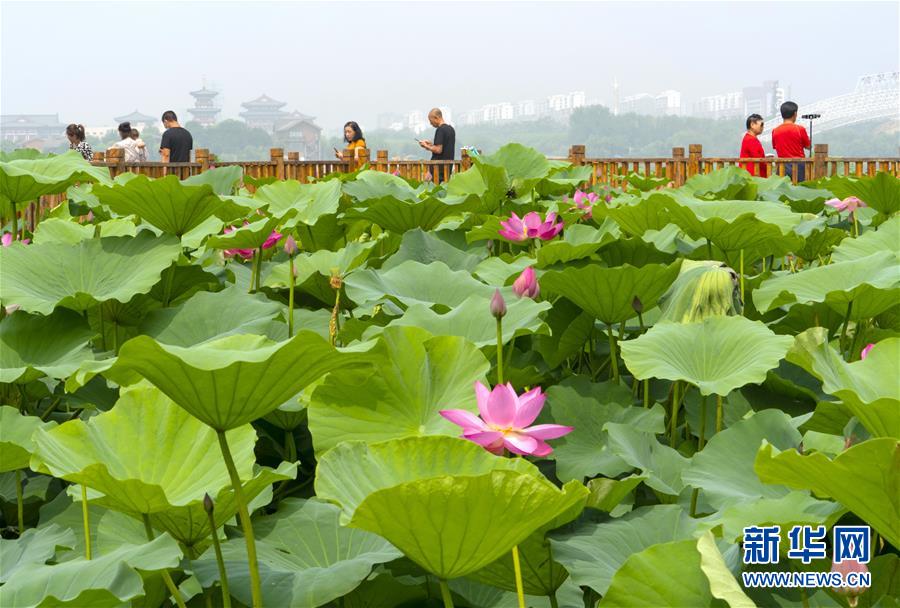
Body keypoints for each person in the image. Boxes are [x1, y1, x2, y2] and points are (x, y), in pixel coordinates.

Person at [772, 101, 810, 182]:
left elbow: (775, 146)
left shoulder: (775, 131)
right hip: (799, 165)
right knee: (800, 190)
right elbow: (808, 146)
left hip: (782, 166)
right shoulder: (800, 129)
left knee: (783, 190)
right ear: (795, 113)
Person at [418, 108, 455, 183]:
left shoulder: (440, 130)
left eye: (431, 121)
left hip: (437, 168)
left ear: (436, 118)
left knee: (432, 189)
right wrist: (431, 145)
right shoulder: (451, 129)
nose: (430, 123)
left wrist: (425, 145)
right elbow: (444, 146)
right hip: (448, 167)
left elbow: (438, 150)